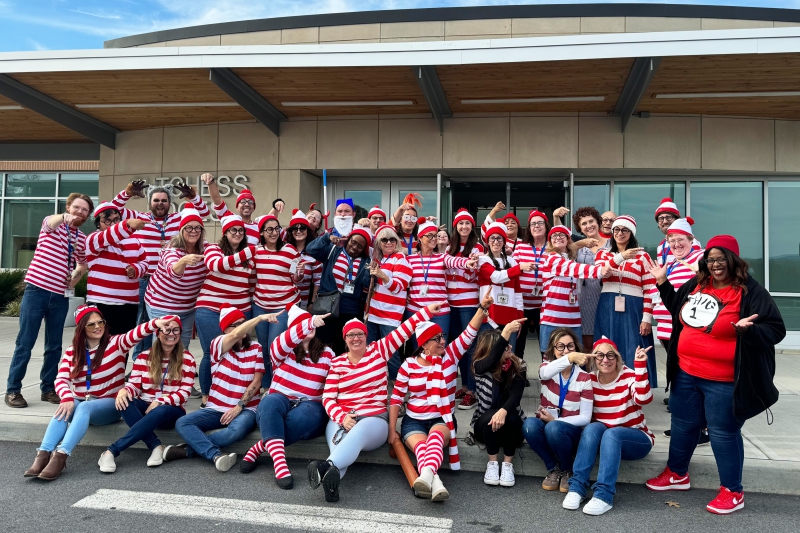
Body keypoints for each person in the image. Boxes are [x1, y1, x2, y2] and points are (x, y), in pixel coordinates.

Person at [644, 235, 785, 515]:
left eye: (721, 259)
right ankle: (677, 473)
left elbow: (776, 330)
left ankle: (732, 491)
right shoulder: (698, 284)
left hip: (723, 380)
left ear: (734, 261)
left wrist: (749, 330)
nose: (716, 264)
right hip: (686, 372)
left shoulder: (750, 292)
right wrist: (662, 282)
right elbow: (676, 309)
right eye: (711, 259)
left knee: (723, 433)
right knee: (684, 424)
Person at [307, 302, 441, 503]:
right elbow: (327, 397)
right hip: (342, 417)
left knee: (357, 433)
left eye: (359, 334)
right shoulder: (337, 362)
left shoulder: (380, 350)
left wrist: (426, 311)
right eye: (351, 335)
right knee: (338, 450)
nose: (356, 338)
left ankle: (324, 467)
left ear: (366, 335)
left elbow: (405, 329)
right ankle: (330, 483)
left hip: (374, 419)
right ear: (345, 339)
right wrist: (341, 417)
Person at [23, 305, 168, 480]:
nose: (98, 327)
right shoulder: (73, 351)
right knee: (64, 408)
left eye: (101, 322)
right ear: (81, 328)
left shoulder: (116, 344)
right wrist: (67, 397)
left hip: (109, 405)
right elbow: (61, 380)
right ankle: (43, 454)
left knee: (84, 407)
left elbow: (136, 333)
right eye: (91, 324)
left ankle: (61, 456)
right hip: (81, 402)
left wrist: (156, 323)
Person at [389, 294, 492, 501]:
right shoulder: (408, 365)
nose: (443, 341)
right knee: (422, 449)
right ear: (424, 344)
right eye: (437, 339)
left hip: (441, 420)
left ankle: (425, 477)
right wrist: (392, 432)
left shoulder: (450, 355)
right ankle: (436, 483)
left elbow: (469, 332)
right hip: (413, 421)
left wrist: (482, 308)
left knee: (434, 441)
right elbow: (396, 399)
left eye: (443, 336)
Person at [163, 306, 280, 472]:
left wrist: (239, 406)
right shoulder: (217, 345)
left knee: (236, 430)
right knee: (183, 422)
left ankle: (190, 449)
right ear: (225, 329)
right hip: (215, 407)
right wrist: (260, 318)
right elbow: (235, 335)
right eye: (236, 324)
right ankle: (215, 454)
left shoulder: (256, 348)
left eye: (243, 322)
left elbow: (257, 382)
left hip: (246, 408)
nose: (241, 327)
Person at [6, 193, 92, 409]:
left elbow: (82, 264)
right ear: (68, 207)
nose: (80, 212)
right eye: (77, 207)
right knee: (25, 343)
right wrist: (63, 217)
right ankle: (13, 390)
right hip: (37, 291)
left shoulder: (81, 237)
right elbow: (53, 221)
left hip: (60, 296)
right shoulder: (52, 223)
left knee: (54, 346)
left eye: (85, 210)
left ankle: (48, 389)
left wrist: (74, 280)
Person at [111, 179, 209, 360]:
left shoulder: (178, 219)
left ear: (170, 203)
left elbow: (203, 214)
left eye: (164, 200)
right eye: (156, 200)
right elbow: (112, 210)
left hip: (173, 282)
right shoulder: (139, 218)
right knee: (143, 324)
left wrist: (193, 197)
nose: (160, 203)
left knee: (163, 329)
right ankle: (140, 362)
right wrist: (127, 193)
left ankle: (169, 363)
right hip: (144, 278)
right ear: (149, 202)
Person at [241, 305, 334, 488]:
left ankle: (260, 446)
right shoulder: (281, 349)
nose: (308, 328)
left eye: (311, 325)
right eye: (302, 325)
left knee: (310, 413)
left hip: (308, 408)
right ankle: (280, 466)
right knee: (270, 401)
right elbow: (286, 340)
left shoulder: (328, 354)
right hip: (278, 403)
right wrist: (308, 322)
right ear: (293, 329)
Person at [563, 338, 654, 516]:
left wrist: (641, 365)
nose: (605, 360)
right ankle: (577, 487)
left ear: (618, 358)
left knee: (612, 434)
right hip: (606, 440)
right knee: (592, 428)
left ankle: (604, 495)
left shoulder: (629, 375)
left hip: (636, 439)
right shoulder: (589, 379)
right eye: (600, 356)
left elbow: (644, 399)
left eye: (610, 355)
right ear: (594, 359)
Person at [99, 316, 195, 472]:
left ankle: (112, 450)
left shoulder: (187, 359)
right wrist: (125, 390)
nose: (171, 333)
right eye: (166, 329)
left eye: (175, 329)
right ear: (157, 333)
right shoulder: (144, 356)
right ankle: (156, 445)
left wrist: (162, 401)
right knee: (124, 401)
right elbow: (135, 385)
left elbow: (184, 393)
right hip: (147, 406)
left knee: (161, 408)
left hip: (171, 410)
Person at [195, 214, 256, 404]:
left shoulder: (249, 256)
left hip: (240, 312)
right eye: (233, 230)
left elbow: (252, 283)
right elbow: (216, 265)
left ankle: (230, 393)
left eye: (240, 230)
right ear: (225, 233)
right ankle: (207, 394)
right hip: (210, 309)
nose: (237, 233)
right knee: (211, 352)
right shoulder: (214, 249)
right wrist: (247, 253)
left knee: (236, 352)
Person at [523, 328, 593, 493]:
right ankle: (553, 468)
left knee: (554, 428)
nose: (565, 350)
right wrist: (568, 358)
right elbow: (545, 373)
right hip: (547, 426)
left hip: (570, 432)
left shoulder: (584, 377)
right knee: (529, 425)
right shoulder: (547, 368)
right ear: (552, 350)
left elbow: (585, 418)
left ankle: (567, 470)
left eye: (570, 346)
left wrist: (556, 422)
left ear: (576, 348)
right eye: (560, 346)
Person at [594, 216, 658, 386]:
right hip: (608, 304)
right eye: (616, 229)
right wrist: (621, 257)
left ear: (631, 233)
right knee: (608, 344)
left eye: (625, 230)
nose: (620, 233)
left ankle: (635, 386)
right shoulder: (603, 253)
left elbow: (650, 288)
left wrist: (646, 318)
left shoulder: (642, 256)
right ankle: (609, 384)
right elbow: (601, 272)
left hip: (634, 307)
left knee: (633, 345)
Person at [405, 219, 477, 355]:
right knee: (418, 349)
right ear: (420, 238)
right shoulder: (409, 259)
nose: (434, 239)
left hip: (440, 312)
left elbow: (455, 261)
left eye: (436, 235)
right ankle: (420, 376)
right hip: (416, 311)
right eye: (430, 235)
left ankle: (438, 376)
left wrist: (468, 262)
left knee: (439, 348)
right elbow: (403, 281)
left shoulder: (442, 257)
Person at [471, 319, 528, 488]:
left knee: (510, 416)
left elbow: (516, 396)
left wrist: (503, 411)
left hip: (511, 427)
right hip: (485, 427)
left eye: (508, 344)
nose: (510, 347)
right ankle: (492, 464)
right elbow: (490, 360)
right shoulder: (479, 366)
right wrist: (506, 332)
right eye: (505, 346)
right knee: (491, 415)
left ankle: (508, 465)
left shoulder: (519, 365)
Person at [538, 225, 609, 351]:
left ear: (568, 239)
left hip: (573, 318)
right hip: (552, 318)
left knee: (574, 357)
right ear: (550, 241)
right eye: (554, 236)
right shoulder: (550, 257)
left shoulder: (571, 258)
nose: (558, 237)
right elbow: (573, 268)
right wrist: (599, 270)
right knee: (550, 359)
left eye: (562, 235)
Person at [145, 208, 208, 349]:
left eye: (198, 227)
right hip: (162, 304)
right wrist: (184, 261)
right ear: (181, 230)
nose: (194, 231)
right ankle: (157, 371)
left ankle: (180, 371)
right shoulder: (171, 249)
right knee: (163, 345)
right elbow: (173, 272)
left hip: (188, 307)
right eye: (189, 227)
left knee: (182, 345)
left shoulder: (206, 248)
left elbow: (217, 255)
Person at [306, 224, 373, 355]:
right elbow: (310, 249)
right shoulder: (333, 251)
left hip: (350, 312)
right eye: (353, 242)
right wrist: (327, 238)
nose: (354, 247)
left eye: (360, 246)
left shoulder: (366, 261)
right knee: (319, 346)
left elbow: (365, 283)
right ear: (348, 239)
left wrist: (370, 269)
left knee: (342, 349)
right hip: (326, 309)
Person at [252, 214, 302, 388]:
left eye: (277, 228)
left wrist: (298, 273)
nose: (274, 232)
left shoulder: (290, 250)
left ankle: (278, 385)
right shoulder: (255, 251)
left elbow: (296, 278)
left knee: (276, 349)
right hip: (260, 306)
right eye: (269, 229)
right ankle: (266, 386)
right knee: (263, 349)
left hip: (282, 307)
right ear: (262, 233)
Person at [85, 202, 148, 336]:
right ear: (98, 224)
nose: (113, 224)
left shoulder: (134, 241)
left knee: (122, 347)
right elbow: (110, 235)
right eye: (107, 221)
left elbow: (144, 262)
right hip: (101, 302)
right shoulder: (94, 239)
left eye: (116, 220)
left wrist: (136, 269)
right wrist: (128, 224)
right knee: (98, 345)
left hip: (128, 303)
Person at [445, 209, 485, 408]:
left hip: (468, 304)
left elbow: (475, 275)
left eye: (467, 224)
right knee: (456, 347)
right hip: (450, 304)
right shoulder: (449, 247)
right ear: (456, 226)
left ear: (472, 227)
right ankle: (465, 385)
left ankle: (473, 390)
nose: (464, 227)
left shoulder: (477, 247)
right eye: (460, 224)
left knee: (470, 348)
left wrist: (469, 268)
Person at [477, 222, 534, 354]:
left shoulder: (512, 261)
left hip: (510, 317)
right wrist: (519, 268)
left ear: (504, 241)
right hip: (490, 316)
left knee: (509, 356)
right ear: (488, 241)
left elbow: (517, 292)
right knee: (489, 355)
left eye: (499, 238)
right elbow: (495, 277)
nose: (496, 241)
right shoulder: (483, 260)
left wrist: (520, 317)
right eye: (492, 238)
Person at [366, 223, 412, 380]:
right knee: (371, 351)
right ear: (378, 242)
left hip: (390, 315)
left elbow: (399, 287)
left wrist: (382, 275)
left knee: (391, 355)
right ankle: (373, 384)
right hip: (372, 313)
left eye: (392, 239)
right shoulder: (380, 259)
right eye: (384, 239)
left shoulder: (401, 258)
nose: (389, 242)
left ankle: (397, 389)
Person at [513, 210, 551, 359]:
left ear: (546, 226)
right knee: (519, 344)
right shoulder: (521, 247)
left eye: (540, 223)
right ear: (529, 228)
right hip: (523, 304)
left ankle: (546, 378)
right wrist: (521, 267)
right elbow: (512, 270)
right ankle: (519, 378)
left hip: (545, 305)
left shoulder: (552, 248)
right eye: (533, 224)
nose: (536, 226)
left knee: (546, 345)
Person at [572, 207, 610, 351]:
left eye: (591, 221)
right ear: (580, 229)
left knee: (606, 342)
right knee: (587, 344)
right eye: (584, 224)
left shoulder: (611, 245)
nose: (589, 226)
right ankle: (589, 374)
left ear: (598, 222)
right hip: (586, 299)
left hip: (606, 297)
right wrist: (579, 244)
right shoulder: (578, 249)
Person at [202, 173, 260, 245]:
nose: (247, 204)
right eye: (243, 202)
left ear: (254, 208)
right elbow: (217, 199)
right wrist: (211, 183)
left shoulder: (259, 227)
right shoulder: (229, 218)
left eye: (250, 202)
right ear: (237, 207)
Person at [285, 209, 322, 309]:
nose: (298, 231)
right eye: (295, 229)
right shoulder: (285, 249)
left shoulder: (314, 253)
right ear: (291, 231)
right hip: (282, 302)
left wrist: (312, 303)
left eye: (302, 228)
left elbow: (318, 281)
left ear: (308, 231)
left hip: (303, 304)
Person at [654, 198, 701, 267]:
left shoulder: (690, 241)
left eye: (668, 217)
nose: (665, 221)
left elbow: (697, 267)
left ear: (676, 219)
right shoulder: (661, 246)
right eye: (661, 218)